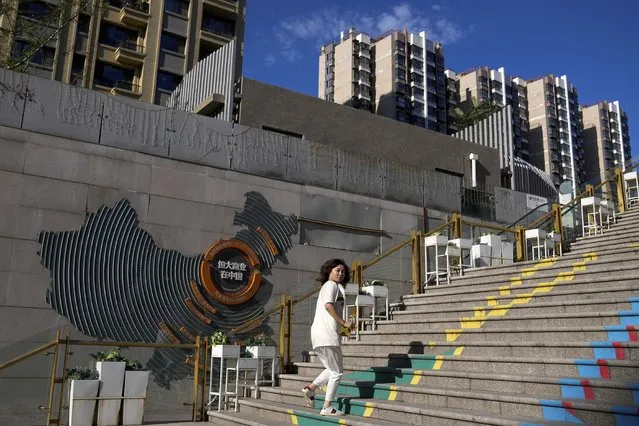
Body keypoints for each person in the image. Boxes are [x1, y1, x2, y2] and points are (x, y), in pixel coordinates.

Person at [301, 258, 353, 416]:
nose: (340, 274)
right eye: (337, 270)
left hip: (319, 335)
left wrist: (344, 327)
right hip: (327, 334)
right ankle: (327, 407)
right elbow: (328, 305)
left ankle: (310, 389)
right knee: (337, 372)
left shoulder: (328, 287)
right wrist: (344, 322)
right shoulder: (330, 285)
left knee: (331, 369)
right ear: (329, 271)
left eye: (343, 271)